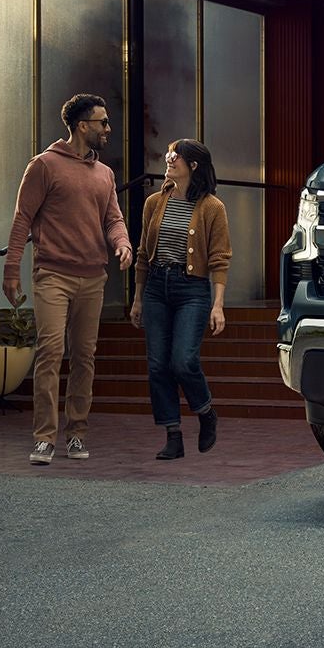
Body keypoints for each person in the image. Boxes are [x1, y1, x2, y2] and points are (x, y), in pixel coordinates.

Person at [4, 93, 135, 465]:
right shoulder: (44, 165)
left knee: (84, 357)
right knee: (50, 353)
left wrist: (122, 244)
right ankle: (44, 437)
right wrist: (11, 269)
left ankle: (76, 433)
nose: (108, 129)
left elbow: (113, 218)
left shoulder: (105, 174)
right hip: (53, 275)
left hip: (93, 277)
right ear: (82, 126)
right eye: (103, 122)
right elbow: (21, 219)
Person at [129, 139, 231, 460]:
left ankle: (205, 412)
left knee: (183, 361)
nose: (169, 160)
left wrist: (218, 305)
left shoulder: (213, 207)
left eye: (176, 156)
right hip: (157, 287)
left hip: (193, 290)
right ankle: (173, 435)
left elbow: (219, 258)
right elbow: (144, 255)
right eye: (169, 155)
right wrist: (138, 299)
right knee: (158, 364)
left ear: (193, 166)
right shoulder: (153, 203)